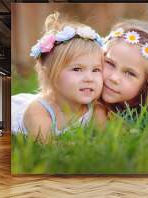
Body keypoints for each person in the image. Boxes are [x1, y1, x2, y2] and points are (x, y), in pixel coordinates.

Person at [12, 12, 106, 142]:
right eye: (77, 69)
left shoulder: (96, 110)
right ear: (49, 75)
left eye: (96, 70)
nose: (89, 78)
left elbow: (107, 140)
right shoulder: (38, 112)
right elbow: (49, 149)